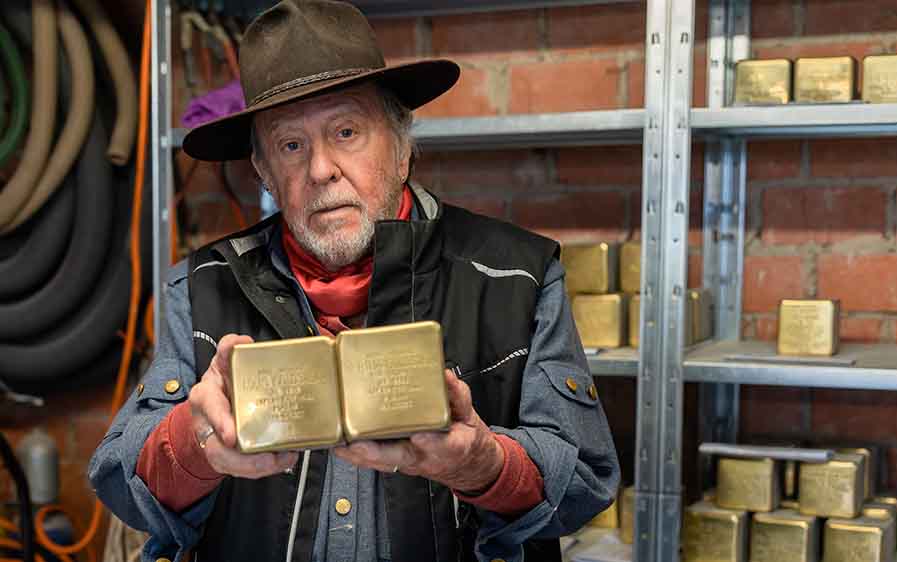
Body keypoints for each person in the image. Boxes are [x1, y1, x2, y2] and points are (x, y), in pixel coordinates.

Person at [88, 1, 620, 561]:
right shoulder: (199, 288)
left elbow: (586, 482)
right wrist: (193, 446)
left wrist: (482, 463)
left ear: (403, 147)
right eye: (291, 145)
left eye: (346, 131)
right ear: (264, 171)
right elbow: (121, 483)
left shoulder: (518, 275)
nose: (320, 169)